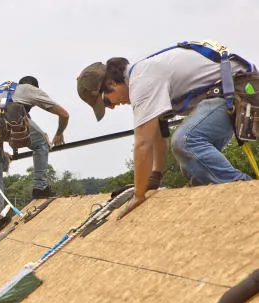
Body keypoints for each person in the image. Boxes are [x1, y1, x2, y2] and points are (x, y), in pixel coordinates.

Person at [76, 40, 256, 219]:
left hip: (240, 90)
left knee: (186, 142)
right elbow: (158, 135)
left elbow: (143, 144)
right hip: (228, 91)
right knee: (197, 167)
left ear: (112, 84)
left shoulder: (141, 83)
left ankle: (249, 195)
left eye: (107, 102)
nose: (113, 107)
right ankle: (224, 208)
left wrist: (139, 194)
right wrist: (155, 177)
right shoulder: (144, 75)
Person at [0, 76, 71, 232]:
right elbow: (64, 114)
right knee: (42, 143)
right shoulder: (30, 90)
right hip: (8, 119)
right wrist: (58, 134)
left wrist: (1, 152)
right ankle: (40, 188)